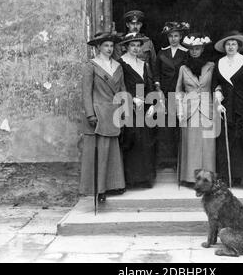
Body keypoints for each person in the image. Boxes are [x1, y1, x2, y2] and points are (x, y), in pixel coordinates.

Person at [80, 32, 127, 203]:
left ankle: (114, 184)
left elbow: (122, 90)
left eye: (111, 46)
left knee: (112, 150)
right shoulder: (91, 66)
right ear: (98, 47)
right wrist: (90, 114)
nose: (109, 49)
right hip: (98, 114)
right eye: (106, 46)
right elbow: (86, 93)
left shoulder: (118, 66)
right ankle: (100, 190)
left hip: (113, 112)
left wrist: (123, 111)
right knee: (99, 152)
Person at [212, 31, 243, 192]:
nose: (231, 46)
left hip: (242, 106)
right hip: (225, 108)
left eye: (233, 44)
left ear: (238, 46)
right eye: (228, 44)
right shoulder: (219, 63)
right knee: (227, 141)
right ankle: (228, 176)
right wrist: (218, 100)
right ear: (224, 47)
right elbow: (215, 84)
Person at [175, 33, 216, 184]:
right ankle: (190, 178)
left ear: (203, 49)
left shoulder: (211, 66)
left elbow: (216, 86)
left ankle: (207, 178)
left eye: (197, 48)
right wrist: (179, 108)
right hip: (189, 108)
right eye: (191, 49)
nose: (194, 51)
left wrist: (219, 98)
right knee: (191, 144)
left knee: (207, 144)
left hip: (207, 107)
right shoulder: (183, 68)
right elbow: (179, 90)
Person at [118, 32, 157, 188]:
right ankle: (131, 179)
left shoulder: (143, 64)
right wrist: (132, 98)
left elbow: (150, 86)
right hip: (128, 106)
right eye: (132, 45)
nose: (135, 48)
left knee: (146, 141)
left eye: (138, 45)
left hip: (144, 107)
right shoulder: (120, 64)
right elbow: (119, 86)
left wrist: (153, 105)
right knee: (132, 138)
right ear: (126, 47)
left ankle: (145, 178)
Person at [154, 21, 190, 169]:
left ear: (181, 36)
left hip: (180, 94)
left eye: (176, 36)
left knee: (178, 127)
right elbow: (156, 73)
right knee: (164, 127)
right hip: (165, 94)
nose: (173, 39)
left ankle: (178, 160)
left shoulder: (186, 52)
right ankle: (165, 160)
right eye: (171, 36)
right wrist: (158, 89)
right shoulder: (162, 52)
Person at [113, 10, 157, 81]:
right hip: (127, 80)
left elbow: (154, 64)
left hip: (144, 80)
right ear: (127, 25)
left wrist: (156, 82)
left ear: (141, 25)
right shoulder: (120, 43)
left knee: (140, 92)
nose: (135, 26)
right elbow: (117, 65)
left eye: (138, 24)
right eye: (132, 24)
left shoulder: (147, 42)